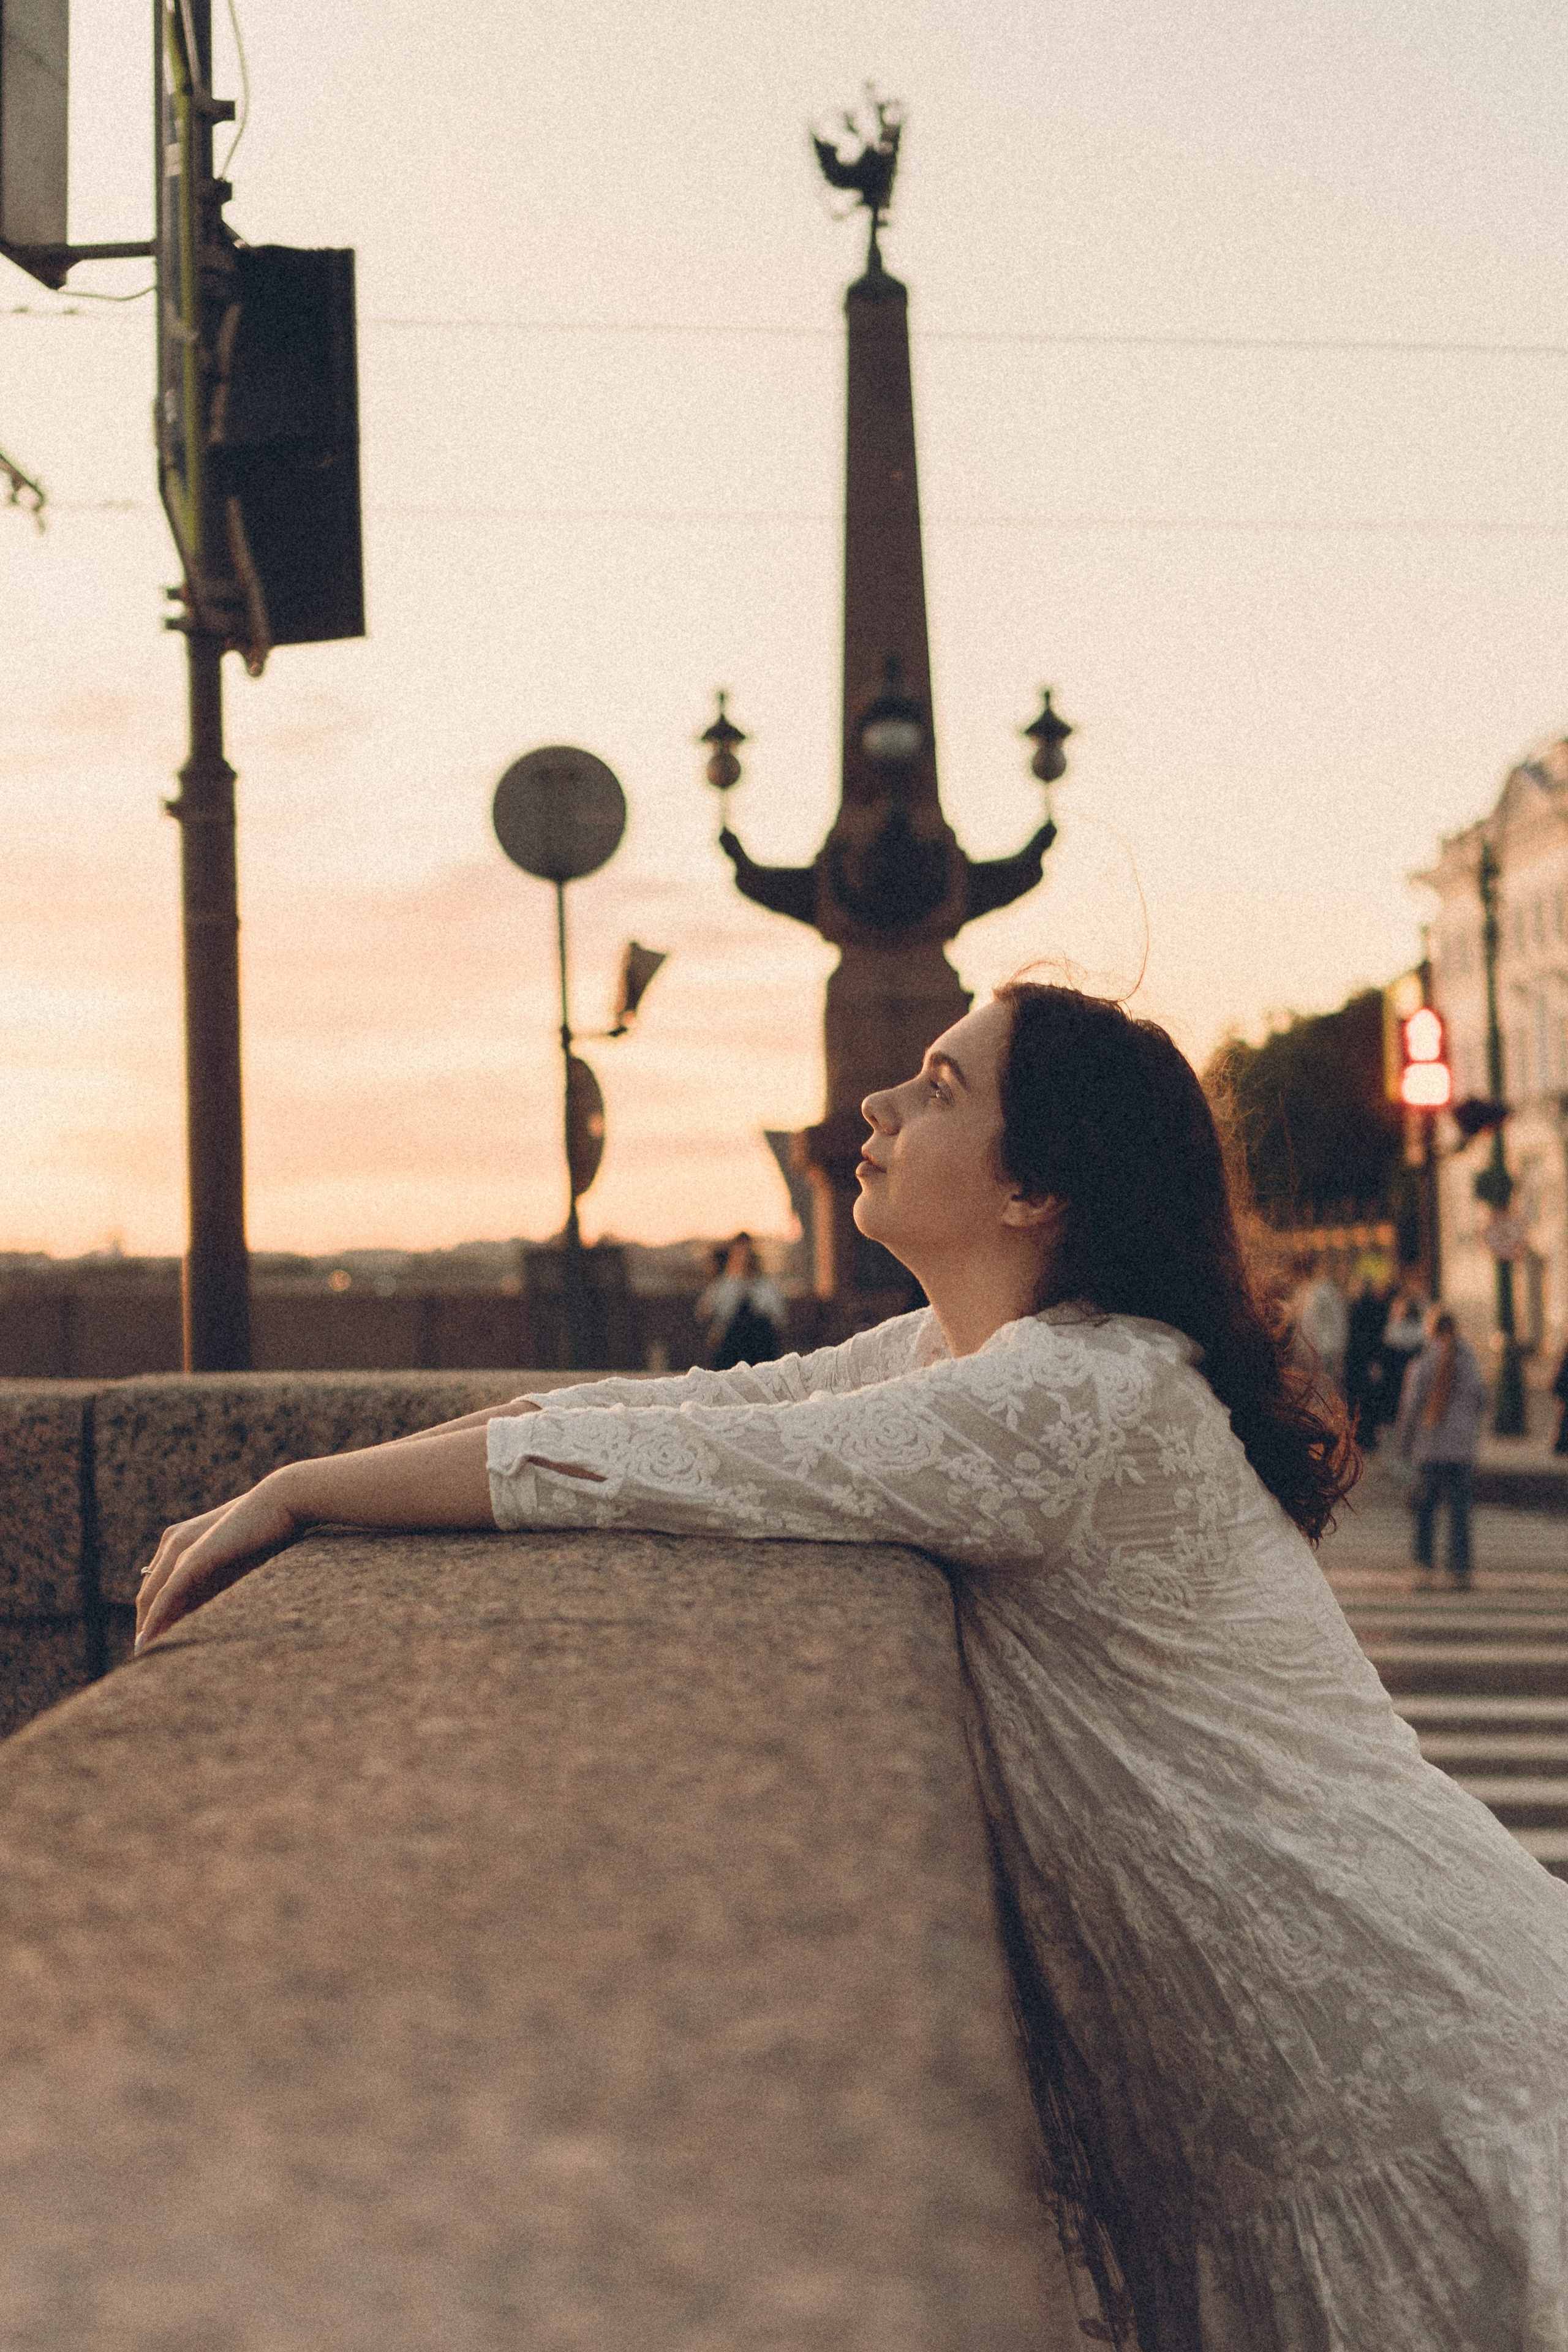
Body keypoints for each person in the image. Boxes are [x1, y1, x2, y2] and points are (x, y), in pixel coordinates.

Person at [137, 982, 1568, 2352]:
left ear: (1031, 1188)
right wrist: (375, 1459)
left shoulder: (1079, 1390)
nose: (874, 1102)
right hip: (1317, 2091)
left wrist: (299, 1491)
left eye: (937, 1085)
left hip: (1414, 2070)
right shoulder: (969, 1353)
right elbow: (695, 1409)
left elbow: (689, 1460)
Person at [1395, 1308, 1488, 1593]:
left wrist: (1404, 1445)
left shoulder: (1423, 1362)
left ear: (1432, 1330)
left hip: (1430, 1446)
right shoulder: (1470, 1360)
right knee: (1460, 1509)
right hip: (1461, 1449)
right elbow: (1484, 1398)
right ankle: (1459, 1565)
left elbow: (1411, 1409)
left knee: (1427, 1507)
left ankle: (1424, 1560)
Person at [694, 1231, 788, 1370]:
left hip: (759, 1346)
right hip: (731, 1347)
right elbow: (703, 1313)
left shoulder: (766, 1287)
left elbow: (780, 1318)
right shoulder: (724, 1285)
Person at [1288, 1254, 1348, 1398]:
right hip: (1307, 1354)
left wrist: (1339, 1351)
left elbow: (1339, 1322)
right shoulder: (1301, 1292)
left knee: (1325, 1394)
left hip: (1325, 1352)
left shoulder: (1324, 1290)